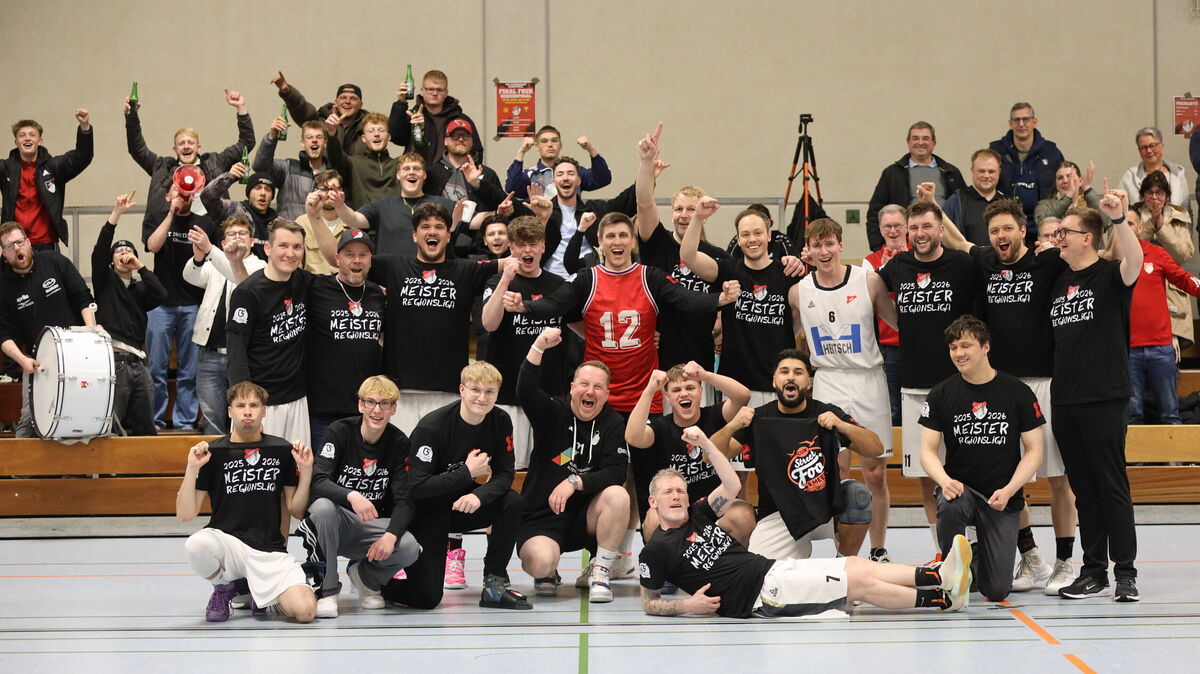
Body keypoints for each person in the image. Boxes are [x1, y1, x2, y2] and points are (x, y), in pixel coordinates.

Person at [639, 425, 973, 617]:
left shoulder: (699, 514)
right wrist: (689, 604)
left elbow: (731, 484)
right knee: (856, 583)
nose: (677, 496)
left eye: (680, 490)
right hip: (761, 597)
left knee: (855, 565)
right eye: (668, 492)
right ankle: (942, 595)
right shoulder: (656, 550)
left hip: (771, 570)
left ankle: (937, 576)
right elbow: (648, 603)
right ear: (654, 502)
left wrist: (706, 444)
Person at [935, 199, 1077, 595]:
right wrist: (933, 205)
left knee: (1057, 478)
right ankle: (1031, 557)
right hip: (1002, 386)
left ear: (1022, 230)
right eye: (994, 230)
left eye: (1007, 229)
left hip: (1044, 381)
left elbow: (1092, 252)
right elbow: (958, 241)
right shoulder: (986, 260)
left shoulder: (1047, 261)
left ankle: (1066, 561)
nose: (1000, 236)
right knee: (1009, 479)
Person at [129, 90, 250, 431]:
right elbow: (137, 148)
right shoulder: (161, 197)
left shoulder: (208, 213)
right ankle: (154, 420)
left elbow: (246, 143)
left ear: (198, 148)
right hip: (161, 303)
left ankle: (183, 422)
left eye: (190, 142)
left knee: (188, 370)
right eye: (180, 142)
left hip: (195, 302)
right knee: (155, 369)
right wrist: (131, 115)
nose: (185, 145)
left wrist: (241, 109)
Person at [1050, 190, 1143, 602]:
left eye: (1065, 232)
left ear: (1087, 238)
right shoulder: (1058, 279)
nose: (1059, 238)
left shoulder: (1109, 275)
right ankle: (1093, 571)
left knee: (1111, 485)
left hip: (1104, 396)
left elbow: (1135, 260)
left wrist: (1119, 218)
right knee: (1084, 490)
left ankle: (1125, 572)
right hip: (1065, 399)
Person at [875, 201, 979, 562]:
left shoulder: (962, 264)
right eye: (914, 227)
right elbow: (870, 291)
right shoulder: (897, 266)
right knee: (925, 475)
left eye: (927, 226)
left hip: (960, 385)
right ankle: (943, 552)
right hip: (915, 386)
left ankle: (975, 547)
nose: (920, 234)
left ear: (940, 230)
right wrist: (900, 322)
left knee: (968, 469)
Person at [791, 218, 898, 561]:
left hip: (868, 378)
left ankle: (878, 549)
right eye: (817, 245)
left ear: (840, 245)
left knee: (875, 472)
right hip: (828, 380)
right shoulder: (798, 291)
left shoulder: (868, 280)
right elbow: (782, 336)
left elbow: (900, 323)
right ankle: (844, 553)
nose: (824, 251)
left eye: (829, 244)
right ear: (808, 250)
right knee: (835, 471)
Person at [919, 315, 1045, 602]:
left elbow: (1035, 450)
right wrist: (944, 481)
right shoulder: (940, 393)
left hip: (1001, 496)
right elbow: (926, 450)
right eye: (953, 347)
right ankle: (952, 571)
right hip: (961, 490)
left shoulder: (1017, 391)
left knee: (996, 590)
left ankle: (975, 555)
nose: (958, 353)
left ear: (985, 347)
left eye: (966, 345)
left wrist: (1010, 490)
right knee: (950, 502)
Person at [713, 349, 883, 560]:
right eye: (784, 372)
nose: (791, 377)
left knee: (857, 494)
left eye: (798, 372)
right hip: (780, 515)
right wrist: (733, 425)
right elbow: (711, 457)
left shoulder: (827, 412)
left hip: (825, 508)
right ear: (774, 381)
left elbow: (876, 448)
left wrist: (842, 425)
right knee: (765, 575)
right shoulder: (759, 418)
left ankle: (844, 565)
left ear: (808, 382)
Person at [385, 362, 528, 611]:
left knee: (512, 502)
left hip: (462, 505)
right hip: (427, 511)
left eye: (489, 392)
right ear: (462, 390)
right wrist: (466, 473)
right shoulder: (432, 427)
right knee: (427, 598)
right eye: (475, 390)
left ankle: (494, 586)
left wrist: (479, 496)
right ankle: (375, 581)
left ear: (497, 394)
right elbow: (416, 487)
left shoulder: (500, 420)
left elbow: (505, 474)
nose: (482, 398)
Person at [176, 381, 316, 624]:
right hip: (228, 546)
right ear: (230, 411)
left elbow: (296, 510)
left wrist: (306, 471)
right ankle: (224, 586)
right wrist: (191, 468)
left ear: (264, 411)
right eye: (241, 405)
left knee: (305, 612)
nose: (248, 411)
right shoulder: (213, 452)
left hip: (269, 552)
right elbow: (185, 514)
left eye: (254, 405)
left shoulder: (281, 449)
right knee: (196, 545)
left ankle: (261, 595)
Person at [515, 328, 631, 603]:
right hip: (542, 517)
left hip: (585, 519)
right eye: (584, 384)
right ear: (572, 388)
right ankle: (548, 571)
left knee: (619, 495)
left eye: (598, 387)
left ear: (607, 394)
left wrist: (576, 482)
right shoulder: (553, 412)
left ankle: (600, 571)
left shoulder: (614, 423)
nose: (590, 391)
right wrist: (538, 346)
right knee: (540, 563)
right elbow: (525, 390)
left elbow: (616, 472)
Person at [298, 375, 421, 619]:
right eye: (370, 402)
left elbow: (405, 500)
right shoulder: (339, 432)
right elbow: (319, 480)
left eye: (384, 403)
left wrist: (390, 536)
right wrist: (351, 495)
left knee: (409, 547)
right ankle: (327, 591)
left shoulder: (399, 443)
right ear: (360, 405)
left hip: (370, 527)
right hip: (336, 522)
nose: (377, 410)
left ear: (393, 408)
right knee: (322, 508)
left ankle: (365, 578)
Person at [681, 198, 800, 408]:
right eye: (745, 234)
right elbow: (688, 256)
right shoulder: (728, 270)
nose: (752, 239)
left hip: (778, 383)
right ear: (738, 239)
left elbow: (798, 319)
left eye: (758, 233)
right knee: (735, 432)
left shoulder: (788, 273)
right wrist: (697, 217)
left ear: (769, 235)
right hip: (736, 385)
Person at [626, 362, 753, 544]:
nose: (684, 393)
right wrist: (650, 389)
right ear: (668, 397)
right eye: (676, 390)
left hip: (713, 503)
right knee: (653, 519)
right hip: (675, 504)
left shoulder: (716, 414)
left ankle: (732, 562)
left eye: (690, 388)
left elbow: (743, 395)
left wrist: (706, 375)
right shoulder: (660, 426)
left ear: (700, 391)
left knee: (743, 516)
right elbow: (633, 437)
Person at [480, 216, 566, 470]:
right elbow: (488, 324)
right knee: (512, 467)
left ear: (543, 246)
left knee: (555, 464)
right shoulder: (497, 282)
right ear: (511, 248)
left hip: (549, 394)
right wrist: (505, 280)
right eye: (520, 244)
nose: (527, 250)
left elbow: (581, 326)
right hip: (509, 396)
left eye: (533, 243)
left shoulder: (559, 285)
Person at [1103, 208, 1200, 424]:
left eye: (1130, 223)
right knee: (1132, 415)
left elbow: (1184, 280)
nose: (1124, 227)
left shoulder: (1156, 253)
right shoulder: (1107, 260)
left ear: (1140, 227)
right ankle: (1135, 451)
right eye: (1120, 223)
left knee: (1170, 412)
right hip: (1126, 350)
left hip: (1161, 347)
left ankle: (1175, 450)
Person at [0, 221, 96, 438]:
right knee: (29, 421)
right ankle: (23, 462)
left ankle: (78, 462)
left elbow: (83, 297)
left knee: (80, 414)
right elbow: (3, 334)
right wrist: (22, 361)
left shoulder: (54, 261)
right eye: (9, 246)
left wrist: (91, 332)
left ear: (28, 242)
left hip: (76, 353)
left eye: (19, 242)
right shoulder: (3, 285)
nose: (16, 248)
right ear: (4, 254)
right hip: (37, 363)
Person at [226, 219, 315, 447]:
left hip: (297, 399)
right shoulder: (247, 293)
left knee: (297, 464)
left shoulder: (303, 281)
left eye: (297, 247)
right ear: (267, 248)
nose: (290, 253)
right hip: (262, 403)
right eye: (283, 245)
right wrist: (246, 407)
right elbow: (236, 354)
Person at [635, 182, 730, 381]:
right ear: (671, 213)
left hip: (700, 359)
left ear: (704, 215)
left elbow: (732, 301)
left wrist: (721, 330)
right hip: (659, 359)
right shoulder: (658, 244)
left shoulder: (717, 257)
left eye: (692, 209)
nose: (684, 215)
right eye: (679, 209)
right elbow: (644, 204)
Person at [303, 223, 385, 446]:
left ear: (370, 260)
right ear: (337, 259)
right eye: (350, 254)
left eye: (363, 255)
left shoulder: (377, 294)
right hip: (324, 408)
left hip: (367, 407)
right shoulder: (316, 287)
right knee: (323, 466)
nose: (357, 260)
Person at [183, 217, 265, 436]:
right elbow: (190, 276)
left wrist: (210, 249)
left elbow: (243, 281)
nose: (237, 238)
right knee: (211, 414)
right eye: (231, 234)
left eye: (242, 234)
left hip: (242, 355)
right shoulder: (214, 264)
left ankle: (241, 452)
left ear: (252, 241)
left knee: (243, 411)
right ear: (223, 242)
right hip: (209, 352)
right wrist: (199, 257)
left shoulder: (261, 267)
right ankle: (215, 456)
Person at [93, 192, 166, 436]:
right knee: (110, 426)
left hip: (138, 363)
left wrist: (141, 267)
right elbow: (100, 249)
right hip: (114, 362)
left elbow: (160, 295)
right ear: (111, 260)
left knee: (146, 426)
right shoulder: (105, 282)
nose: (124, 253)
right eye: (119, 251)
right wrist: (116, 214)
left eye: (128, 250)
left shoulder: (140, 288)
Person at [865, 122, 965, 250]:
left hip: (947, 243)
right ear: (908, 142)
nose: (920, 142)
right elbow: (875, 212)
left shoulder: (951, 172)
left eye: (925, 138)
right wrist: (877, 246)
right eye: (915, 138)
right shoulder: (892, 174)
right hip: (907, 245)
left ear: (934, 143)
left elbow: (963, 208)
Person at [1, 110, 93, 249]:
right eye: (22, 135)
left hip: (46, 242)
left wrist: (84, 127)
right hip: (15, 244)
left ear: (40, 141)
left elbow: (82, 157)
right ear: (16, 142)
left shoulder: (53, 167)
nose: (27, 138)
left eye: (32, 135)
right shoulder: (5, 168)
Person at [333, 153, 455, 257]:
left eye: (416, 169)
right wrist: (340, 206)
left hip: (430, 274)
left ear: (424, 175)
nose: (411, 172)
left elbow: (467, 222)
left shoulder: (441, 204)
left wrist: (471, 182)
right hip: (390, 275)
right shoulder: (381, 206)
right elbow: (354, 220)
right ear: (398, 175)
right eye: (406, 169)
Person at [1130, 171, 1195, 349]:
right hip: (1140, 286)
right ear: (1142, 195)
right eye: (1149, 192)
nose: (1154, 197)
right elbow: (1128, 250)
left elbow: (1183, 255)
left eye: (1159, 192)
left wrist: (1162, 227)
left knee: (1168, 353)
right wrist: (1151, 224)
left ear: (1166, 196)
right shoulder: (1132, 215)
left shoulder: (1178, 217)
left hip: (1172, 293)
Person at [862, 203, 909, 427]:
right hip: (890, 346)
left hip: (921, 341)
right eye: (887, 226)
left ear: (907, 227)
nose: (893, 231)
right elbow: (867, 303)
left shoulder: (920, 255)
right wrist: (883, 274)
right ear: (880, 230)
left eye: (897, 225)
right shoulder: (869, 262)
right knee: (893, 407)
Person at [390, 70, 484, 167]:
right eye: (430, 89)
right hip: (418, 173)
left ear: (446, 93)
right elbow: (397, 138)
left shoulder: (460, 120)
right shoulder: (413, 116)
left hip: (451, 174)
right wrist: (401, 102)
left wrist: (463, 172)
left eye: (439, 90)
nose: (434, 93)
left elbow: (476, 152)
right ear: (422, 91)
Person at [988, 102, 1065, 221]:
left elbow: (1064, 183)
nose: (1021, 124)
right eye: (1016, 120)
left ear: (1034, 122)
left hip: (1044, 219)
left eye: (1026, 119)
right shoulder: (996, 151)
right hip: (1006, 219)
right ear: (1010, 124)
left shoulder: (1051, 152)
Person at [273, 74, 373, 158]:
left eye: (353, 98)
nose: (347, 101)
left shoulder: (370, 127)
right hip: (324, 175)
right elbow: (302, 109)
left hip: (357, 175)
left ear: (361, 104)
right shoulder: (321, 120)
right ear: (336, 102)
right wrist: (288, 92)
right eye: (343, 98)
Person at [253, 117, 333, 220]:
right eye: (309, 137)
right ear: (302, 143)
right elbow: (260, 167)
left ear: (325, 143)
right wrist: (272, 137)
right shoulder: (288, 168)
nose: (314, 140)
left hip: (318, 229)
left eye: (319, 137)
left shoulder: (332, 175)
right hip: (288, 228)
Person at [506, 126, 611, 198]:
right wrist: (521, 152)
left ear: (560, 145)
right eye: (544, 141)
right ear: (537, 146)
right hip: (541, 222)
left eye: (554, 140)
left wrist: (590, 149)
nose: (550, 144)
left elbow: (603, 179)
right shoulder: (530, 174)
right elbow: (511, 189)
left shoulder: (575, 171)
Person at [325, 112, 402, 209]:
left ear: (389, 137)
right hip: (363, 218)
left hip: (394, 217)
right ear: (363, 138)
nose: (376, 134)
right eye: (371, 131)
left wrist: (418, 128)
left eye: (381, 130)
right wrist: (332, 133)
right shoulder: (353, 164)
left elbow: (417, 155)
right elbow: (336, 157)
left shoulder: (399, 165)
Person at [200, 163, 278, 258]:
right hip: (232, 265)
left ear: (272, 196)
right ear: (248, 193)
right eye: (258, 188)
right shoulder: (233, 209)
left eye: (268, 189)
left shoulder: (278, 223)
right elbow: (207, 197)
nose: (263, 193)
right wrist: (229, 177)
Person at [942, 149, 1008, 246]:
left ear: (999, 172)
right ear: (972, 171)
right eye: (981, 171)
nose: (986, 176)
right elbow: (944, 239)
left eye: (991, 171)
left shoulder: (1008, 204)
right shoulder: (955, 202)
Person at [1117, 127, 1190, 210]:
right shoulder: (1129, 177)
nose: (1148, 151)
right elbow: (1118, 210)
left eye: (1152, 146)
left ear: (1162, 147)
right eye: (1143, 147)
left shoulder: (1177, 174)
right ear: (1139, 151)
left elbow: (1186, 211)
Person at [295, 170, 349, 275]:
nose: (329, 194)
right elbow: (295, 264)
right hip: (313, 282)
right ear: (316, 192)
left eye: (334, 189)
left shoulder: (351, 223)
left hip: (342, 282)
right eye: (324, 189)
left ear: (341, 192)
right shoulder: (302, 223)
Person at [1033, 161, 1101, 227]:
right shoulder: (1044, 205)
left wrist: (1087, 188)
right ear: (1056, 184)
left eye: (1069, 176)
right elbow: (1043, 224)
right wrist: (1068, 197)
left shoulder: (1091, 202)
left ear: (1080, 181)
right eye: (1060, 178)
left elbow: (1103, 223)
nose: (1065, 181)